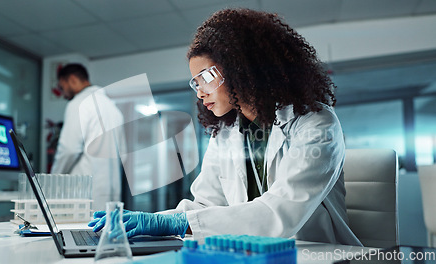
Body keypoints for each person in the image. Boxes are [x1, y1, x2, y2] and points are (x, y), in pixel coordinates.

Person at [89, 8, 362, 246]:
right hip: (249, 252)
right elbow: (205, 206)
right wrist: (153, 220)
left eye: (206, 77)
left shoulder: (315, 124)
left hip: (315, 252)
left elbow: (279, 214)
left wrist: (178, 224)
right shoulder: (227, 133)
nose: (200, 92)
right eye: (195, 82)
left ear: (243, 68)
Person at [51, 63, 124, 211]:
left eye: (62, 87)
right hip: (111, 192)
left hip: (83, 192)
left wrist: (52, 181)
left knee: (79, 233)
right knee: (105, 231)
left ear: (72, 80)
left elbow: (69, 149)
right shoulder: (112, 107)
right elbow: (124, 154)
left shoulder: (78, 103)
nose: (64, 93)